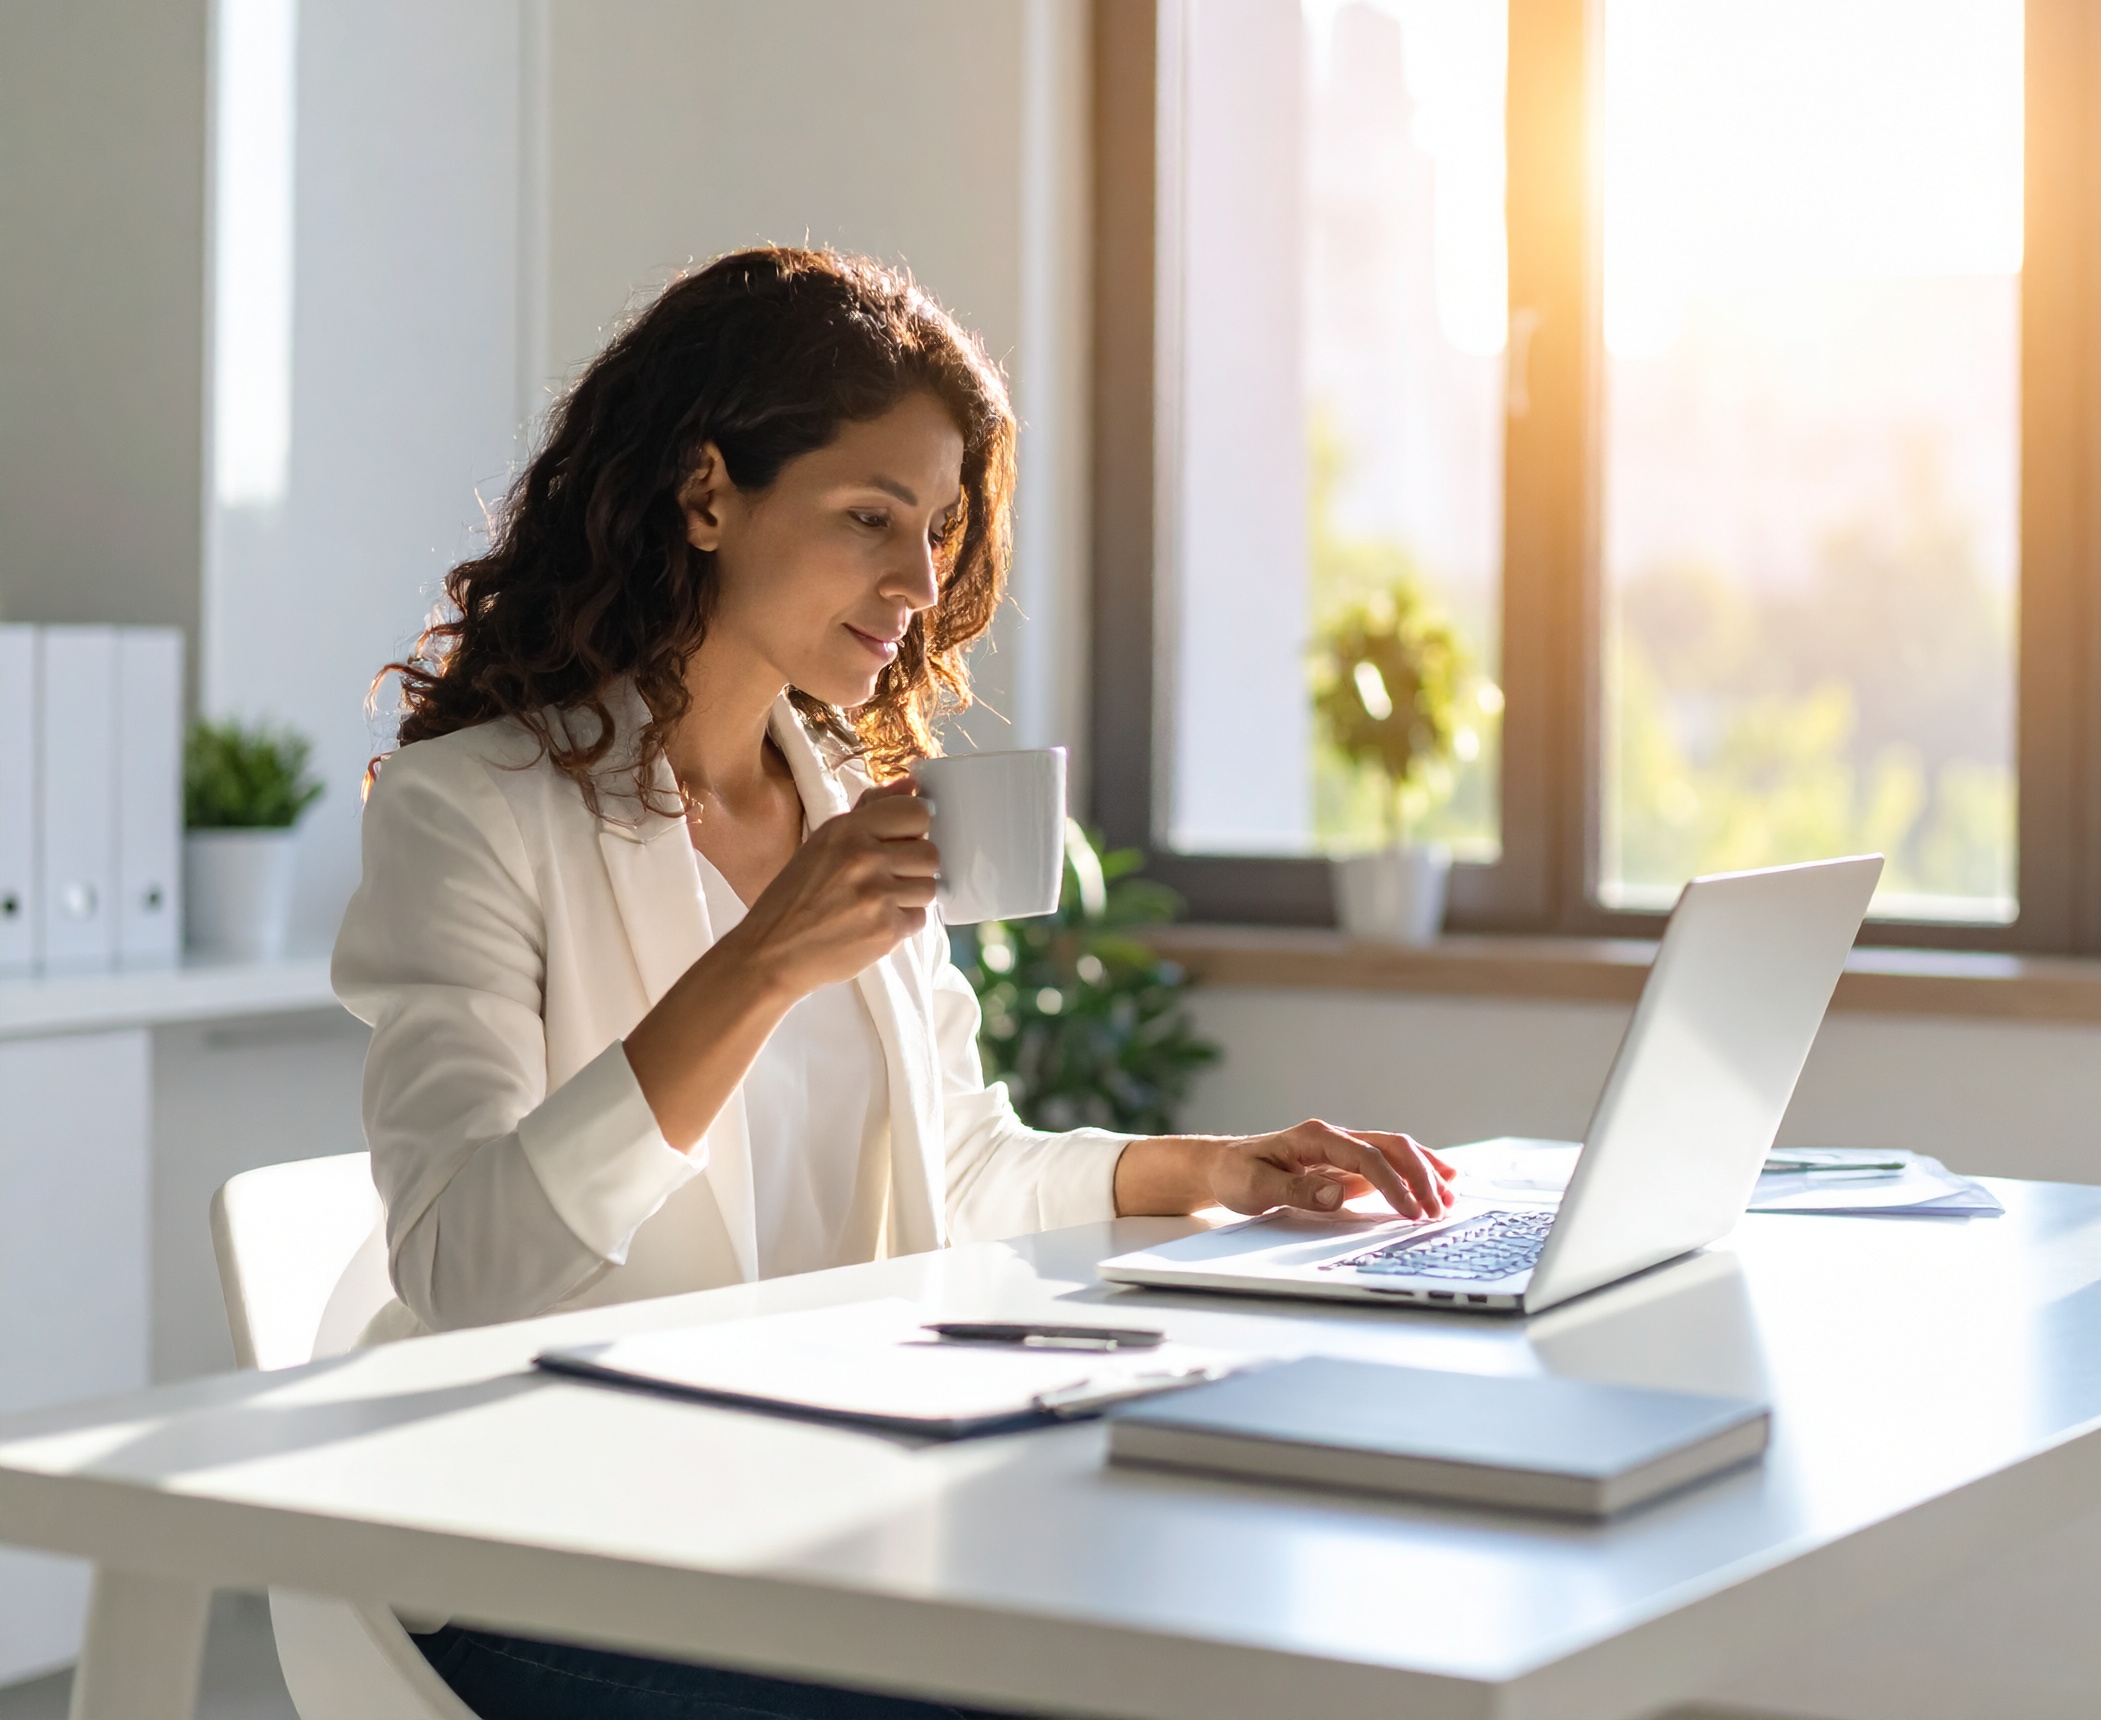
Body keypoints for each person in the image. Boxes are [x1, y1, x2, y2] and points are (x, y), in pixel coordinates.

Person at [333, 245, 1457, 1719]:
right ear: (707, 493)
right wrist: (762, 961)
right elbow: (465, 1265)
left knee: (1245, 1606)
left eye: (934, 530)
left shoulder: (847, 807)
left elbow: (962, 1163)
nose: (921, 584)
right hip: (554, 1549)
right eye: (871, 517)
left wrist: (1218, 1170)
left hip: (817, 1511)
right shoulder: (471, 814)